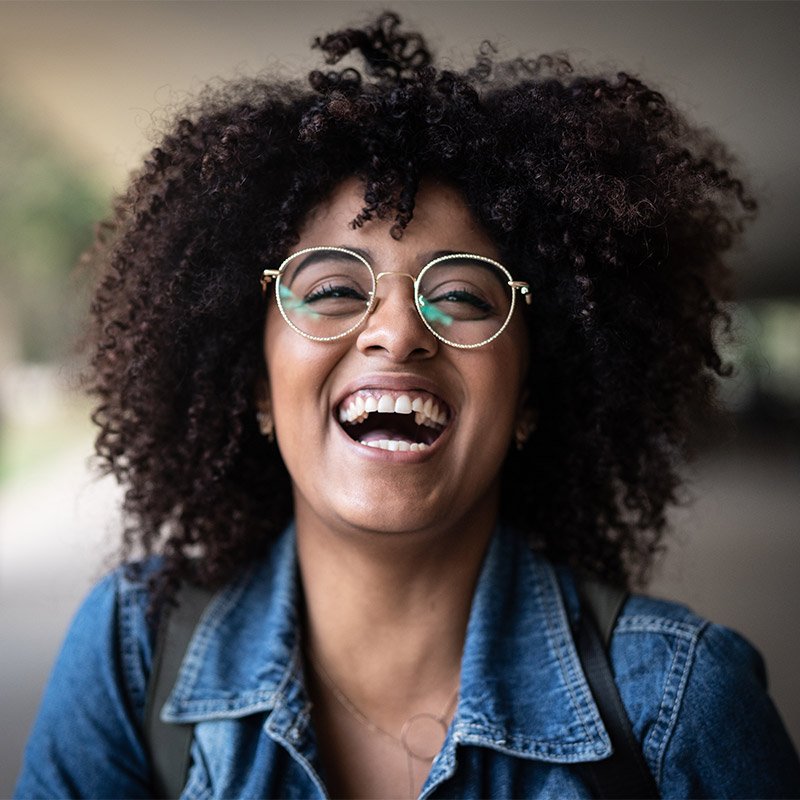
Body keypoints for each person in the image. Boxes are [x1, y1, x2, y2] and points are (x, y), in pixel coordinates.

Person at [15, 11, 800, 800]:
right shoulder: (131, 652)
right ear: (257, 385)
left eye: (460, 295)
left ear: (530, 395)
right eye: (332, 288)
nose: (395, 332)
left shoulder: (682, 705)